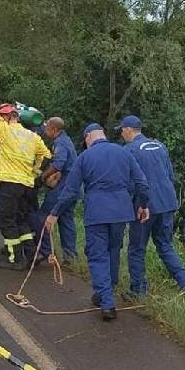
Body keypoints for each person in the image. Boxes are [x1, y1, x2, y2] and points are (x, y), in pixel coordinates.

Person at [45, 123, 150, 321]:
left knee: (97, 256)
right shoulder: (124, 153)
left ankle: (108, 304)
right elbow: (142, 184)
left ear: (87, 138)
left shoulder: (85, 157)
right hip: (121, 212)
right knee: (113, 251)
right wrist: (143, 205)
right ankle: (105, 290)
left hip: (97, 213)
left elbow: (70, 191)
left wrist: (54, 213)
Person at [118, 115, 185, 298]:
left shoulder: (129, 150)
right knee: (165, 245)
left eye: (122, 130)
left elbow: (131, 182)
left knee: (137, 248)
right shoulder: (160, 146)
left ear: (129, 129)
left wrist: (129, 204)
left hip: (145, 207)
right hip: (167, 203)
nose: (122, 133)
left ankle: (139, 290)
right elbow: (170, 175)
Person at [0, 87, 51, 270]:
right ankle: (31, 252)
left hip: (10, 184)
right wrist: (35, 173)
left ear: (6, 117)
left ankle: (16, 259)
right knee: (21, 219)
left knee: (6, 220)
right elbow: (47, 156)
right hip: (26, 185)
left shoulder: (4, 130)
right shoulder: (32, 136)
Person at [37, 117, 78, 263]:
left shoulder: (60, 143)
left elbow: (58, 164)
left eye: (47, 128)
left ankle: (45, 251)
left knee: (42, 217)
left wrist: (43, 176)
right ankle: (70, 257)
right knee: (66, 219)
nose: (45, 130)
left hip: (63, 188)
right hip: (74, 188)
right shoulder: (67, 140)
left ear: (54, 129)